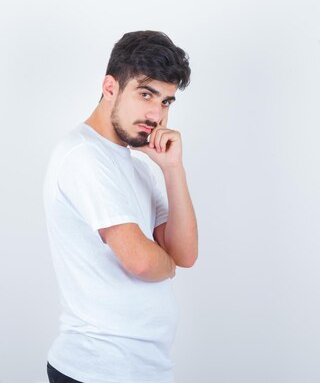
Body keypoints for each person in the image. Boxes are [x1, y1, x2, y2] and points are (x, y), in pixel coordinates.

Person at [43, 30, 198, 383]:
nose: (156, 113)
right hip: (98, 368)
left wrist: (173, 169)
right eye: (146, 94)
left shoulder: (138, 163)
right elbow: (142, 261)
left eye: (166, 101)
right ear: (110, 88)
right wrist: (166, 263)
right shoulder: (83, 155)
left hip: (142, 367)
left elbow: (184, 253)